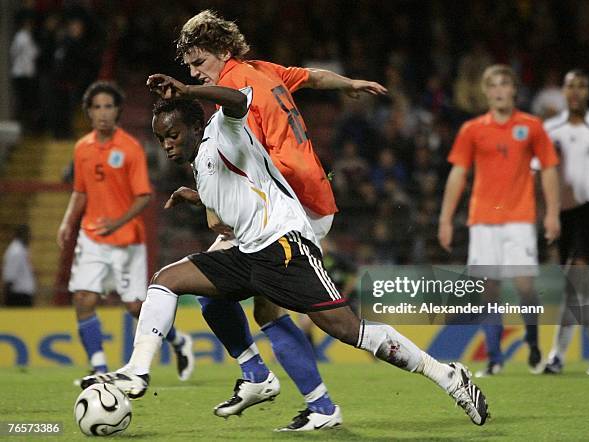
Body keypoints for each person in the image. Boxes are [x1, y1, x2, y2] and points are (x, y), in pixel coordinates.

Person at [82, 86, 489, 430]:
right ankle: (141, 371)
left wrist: (188, 90)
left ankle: (447, 375)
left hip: (284, 248)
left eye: (171, 134)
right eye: (160, 139)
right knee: (169, 280)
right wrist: (196, 199)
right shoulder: (203, 167)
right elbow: (231, 218)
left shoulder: (222, 131)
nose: (166, 143)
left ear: (194, 126)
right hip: (249, 253)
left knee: (349, 330)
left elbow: (238, 102)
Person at [152, 9, 386, 428]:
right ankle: (305, 399)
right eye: (188, 66)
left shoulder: (232, 86)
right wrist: (348, 83)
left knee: (231, 292)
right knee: (248, 302)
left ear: (223, 51)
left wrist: (211, 208)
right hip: (312, 196)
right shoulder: (262, 69)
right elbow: (312, 77)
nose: (194, 72)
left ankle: (281, 387)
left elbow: (235, 162)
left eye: (199, 62)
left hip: (290, 203)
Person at [57, 81, 194, 379]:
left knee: (134, 307)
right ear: (89, 112)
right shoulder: (82, 149)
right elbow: (80, 191)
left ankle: (178, 341)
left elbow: (144, 196)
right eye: (97, 107)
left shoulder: (130, 148)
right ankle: (99, 368)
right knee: (83, 299)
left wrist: (116, 223)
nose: (103, 112)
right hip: (91, 236)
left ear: (118, 110)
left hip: (127, 238)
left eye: (108, 106)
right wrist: (68, 221)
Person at [438, 64, 561, 377]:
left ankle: (533, 343)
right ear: (485, 91)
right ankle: (494, 358)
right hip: (482, 220)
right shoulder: (472, 129)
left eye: (504, 84)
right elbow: (458, 173)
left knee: (524, 286)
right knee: (488, 290)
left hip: (520, 218)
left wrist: (552, 213)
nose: (498, 90)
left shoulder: (532, 126)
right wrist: (446, 219)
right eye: (492, 85)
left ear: (514, 90)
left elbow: (548, 168)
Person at [540, 69, 589, 375]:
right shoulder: (550, 129)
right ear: (564, 92)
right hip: (563, 211)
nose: (575, 92)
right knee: (574, 283)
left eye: (581, 86)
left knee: (578, 276)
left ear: (588, 92)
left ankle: (558, 355)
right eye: (570, 86)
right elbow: (539, 171)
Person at [2, 224, 36, 307]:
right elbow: (9, 276)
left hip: (23, 295)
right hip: (18, 296)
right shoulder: (16, 251)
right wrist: (5, 298)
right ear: (22, 235)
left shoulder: (22, 250)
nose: (30, 237)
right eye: (28, 234)